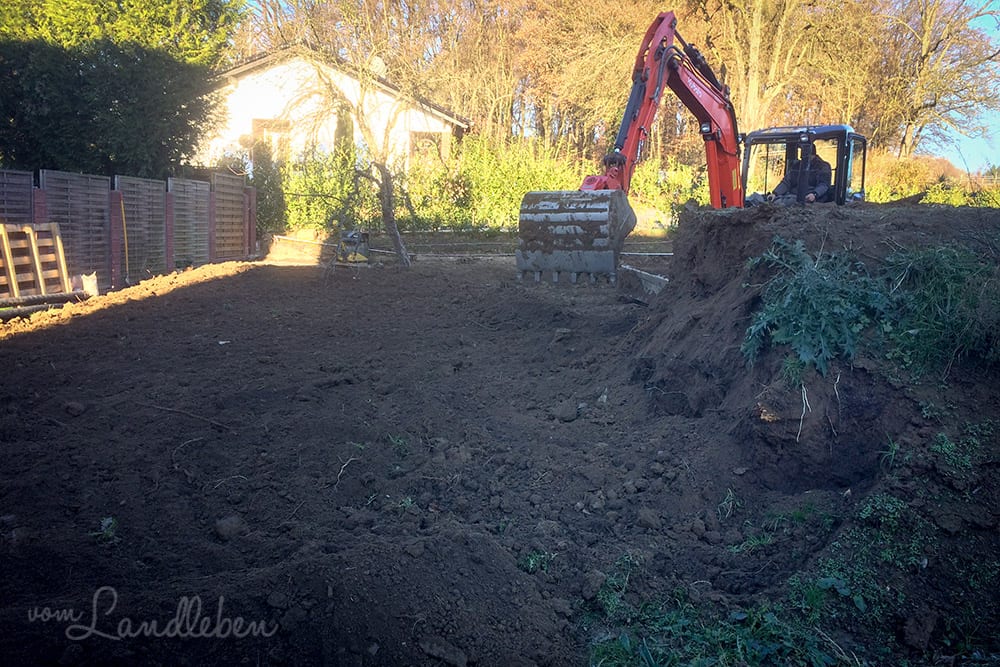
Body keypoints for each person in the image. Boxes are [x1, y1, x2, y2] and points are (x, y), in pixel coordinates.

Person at [766, 143, 832, 204]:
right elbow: (786, 182)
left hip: (812, 199)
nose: (802, 157)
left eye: (804, 153)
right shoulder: (796, 166)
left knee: (787, 203)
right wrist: (775, 193)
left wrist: (815, 194)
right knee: (764, 200)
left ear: (812, 154)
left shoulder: (823, 166)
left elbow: (824, 184)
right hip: (792, 196)